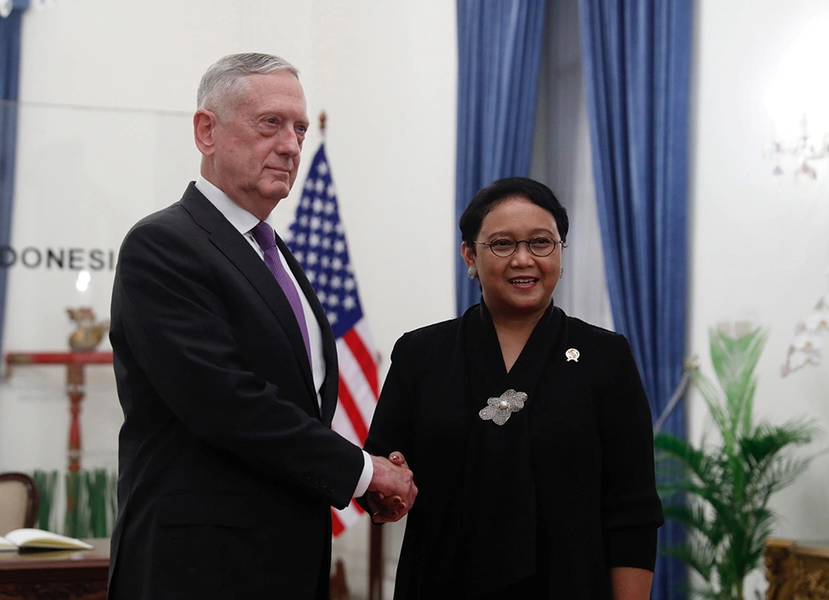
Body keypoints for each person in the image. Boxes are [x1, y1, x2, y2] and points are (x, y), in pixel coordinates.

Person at [107, 52, 416, 600]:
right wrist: (362, 473)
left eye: (299, 128)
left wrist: (360, 473)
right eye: (270, 123)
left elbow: (296, 402)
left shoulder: (273, 252)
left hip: (287, 557)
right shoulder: (163, 245)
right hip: (198, 567)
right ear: (207, 131)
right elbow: (225, 402)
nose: (293, 145)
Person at [363, 177, 664, 599]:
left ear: (561, 251)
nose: (524, 259)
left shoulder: (605, 358)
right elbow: (378, 471)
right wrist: (386, 488)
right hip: (441, 582)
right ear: (469, 254)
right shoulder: (422, 353)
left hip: (570, 584)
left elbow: (632, 511)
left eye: (541, 243)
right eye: (502, 244)